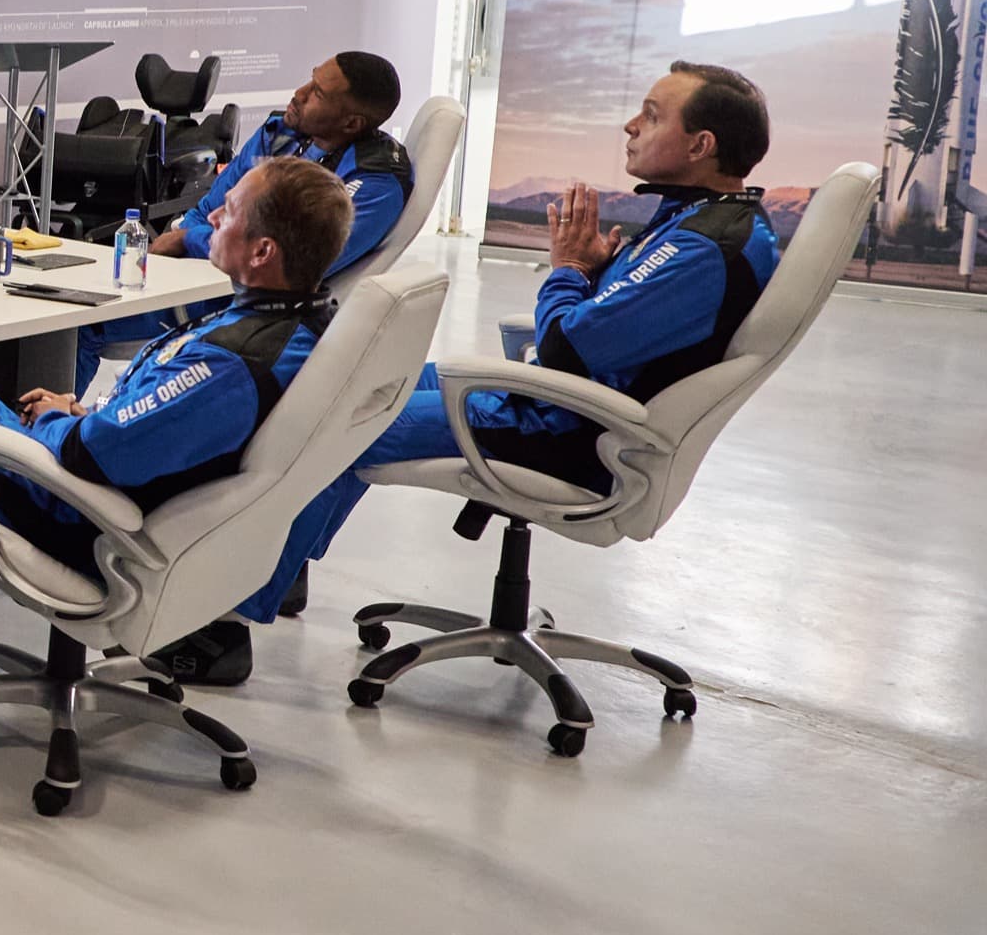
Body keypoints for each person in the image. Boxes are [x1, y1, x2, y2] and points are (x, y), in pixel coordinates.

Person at [271, 61, 779, 627]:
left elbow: (565, 344)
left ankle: (230, 623)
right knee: (354, 384)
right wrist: (593, 276)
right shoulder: (704, 221)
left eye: (652, 116)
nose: (631, 126)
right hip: (570, 405)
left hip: (567, 429)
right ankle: (278, 572)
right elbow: (604, 323)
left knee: (336, 424)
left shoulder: (703, 248)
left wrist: (570, 269)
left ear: (700, 145)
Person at [0, 156, 358, 689]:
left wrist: (54, 423)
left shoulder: (231, 364)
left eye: (226, 215)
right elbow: (156, 427)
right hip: (112, 487)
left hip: (78, 514)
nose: (211, 223)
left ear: (262, 251)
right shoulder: (298, 324)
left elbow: (90, 456)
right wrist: (79, 411)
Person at [77, 49, 411, 391]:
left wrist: (187, 241)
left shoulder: (375, 183)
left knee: (77, 324)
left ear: (352, 123)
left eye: (318, 93)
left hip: (242, 301)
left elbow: (294, 260)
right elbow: (208, 210)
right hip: (196, 271)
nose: (299, 93)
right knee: (71, 295)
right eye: (311, 78)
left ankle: (36, 435)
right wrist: (189, 241)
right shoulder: (280, 133)